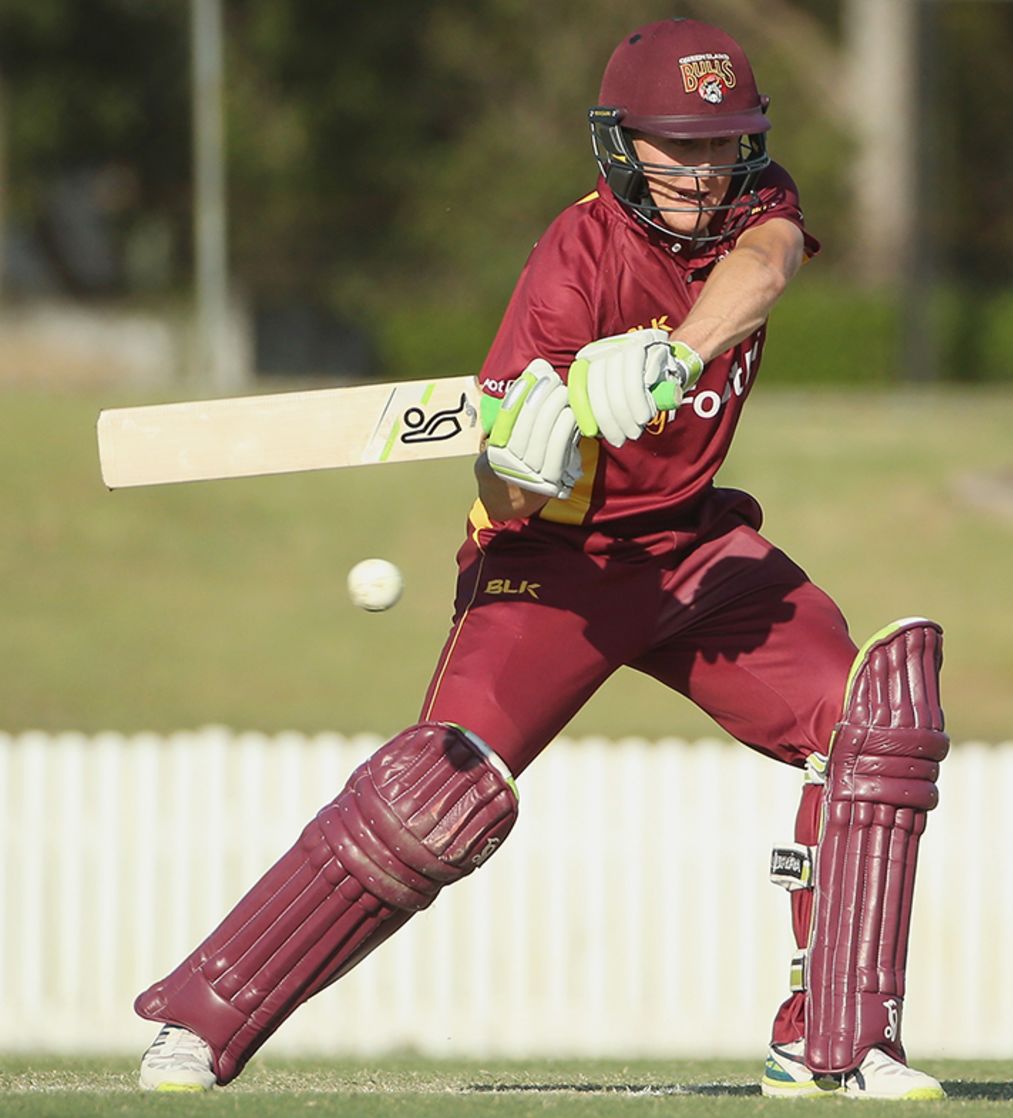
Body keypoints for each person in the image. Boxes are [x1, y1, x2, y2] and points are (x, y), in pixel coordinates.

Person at [134, 17, 949, 1101]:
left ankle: (837, 1041)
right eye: (678, 147)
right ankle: (197, 1019)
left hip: (692, 547)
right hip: (552, 560)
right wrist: (533, 455)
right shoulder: (573, 263)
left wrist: (670, 359)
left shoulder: (759, 210)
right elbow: (502, 484)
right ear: (622, 145)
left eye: (723, 144)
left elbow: (764, 269)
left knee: (876, 719)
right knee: (435, 795)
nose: (704, 172)